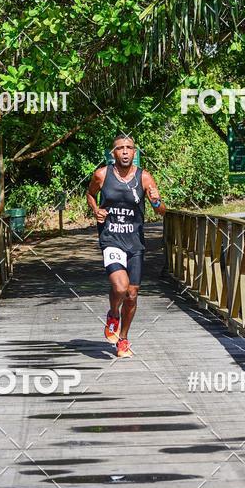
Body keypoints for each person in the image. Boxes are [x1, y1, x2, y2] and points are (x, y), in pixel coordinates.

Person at [87, 134, 166, 357]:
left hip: (135, 242)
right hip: (111, 238)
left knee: (132, 295)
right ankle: (113, 313)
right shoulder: (102, 175)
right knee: (120, 287)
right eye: (120, 148)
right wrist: (96, 210)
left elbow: (161, 211)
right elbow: (90, 194)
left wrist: (157, 200)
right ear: (113, 153)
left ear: (134, 153)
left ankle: (123, 339)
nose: (124, 151)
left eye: (129, 148)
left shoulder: (145, 178)